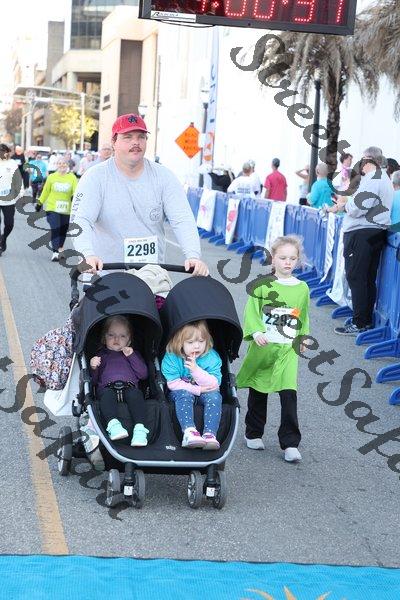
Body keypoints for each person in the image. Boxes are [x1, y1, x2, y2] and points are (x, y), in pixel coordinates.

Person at [70, 113, 208, 276]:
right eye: (127, 137)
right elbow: (81, 220)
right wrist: (87, 254)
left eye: (141, 137)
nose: (135, 142)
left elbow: (182, 218)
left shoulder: (164, 176)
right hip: (104, 276)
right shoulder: (95, 177)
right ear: (114, 142)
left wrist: (193, 255)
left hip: (151, 278)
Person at [236, 235, 310, 463]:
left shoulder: (302, 288)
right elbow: (252, 310)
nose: (288, 262)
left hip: (287, 350)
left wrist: (303, 336)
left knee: (289, 394)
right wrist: (256, 332)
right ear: (273, 259)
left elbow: (303, 315)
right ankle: (253, 432)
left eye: (292, 258)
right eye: (283, 257)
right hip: (265, 346)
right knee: (259, 389)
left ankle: (290, 443)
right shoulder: (263, 285)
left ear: (297, 260)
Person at [333, 146, 394, 335]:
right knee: (366, 278)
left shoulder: (373, 178)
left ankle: (360, 322)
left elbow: (359, 207)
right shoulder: (383, 178)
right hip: (374, 231)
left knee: (357, 276)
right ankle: (364, 320)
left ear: (369, 160)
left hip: (362, 232)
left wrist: (345, 205)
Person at [161, 320, 222, 450]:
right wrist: (198, 389)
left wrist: (196, 371)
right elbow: (173, 384)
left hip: (206, 392)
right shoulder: (172, 357)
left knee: (215, 396)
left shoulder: (211, 357)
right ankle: (189, 431)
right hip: (180, 393)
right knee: (184, 394)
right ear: (180, 343)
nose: (197, 346)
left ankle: (210, 434)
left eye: (201, 341)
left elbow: (214, 384)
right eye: (190, 342)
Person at [90, 316, 149, 446]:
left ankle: (140, 429)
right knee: (106, 397)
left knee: (136, 396)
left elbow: (143, 375)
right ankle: (113, 425)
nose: (116, 339)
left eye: (122, 336)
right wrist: (94, 367)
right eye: (111, 335)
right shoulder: (101, 355)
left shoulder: (133, 354)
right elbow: (94, 381)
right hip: (107, 388)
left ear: (129, 341)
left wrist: (131, 356)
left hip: (130, 387)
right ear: (104, 338)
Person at [36, 157, 78, 262]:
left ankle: (59, 248)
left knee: (63, 230)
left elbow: (76, 192)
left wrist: (74, 199)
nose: (62, 165)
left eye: (64, 163)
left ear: (67, 165)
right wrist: (39, 203)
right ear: (56, 165)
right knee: (55, 228)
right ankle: (55, 252)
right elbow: (46, 191)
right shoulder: (51, 177)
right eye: (59, 163)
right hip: (52, 208)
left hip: (66, 210)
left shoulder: (72, 177)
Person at [0, 144, 21, 256]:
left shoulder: (12, 163)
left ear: (8, 152)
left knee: (9, 224)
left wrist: (20, 193)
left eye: (4, 151)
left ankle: (3, 238)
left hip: (9, 199)